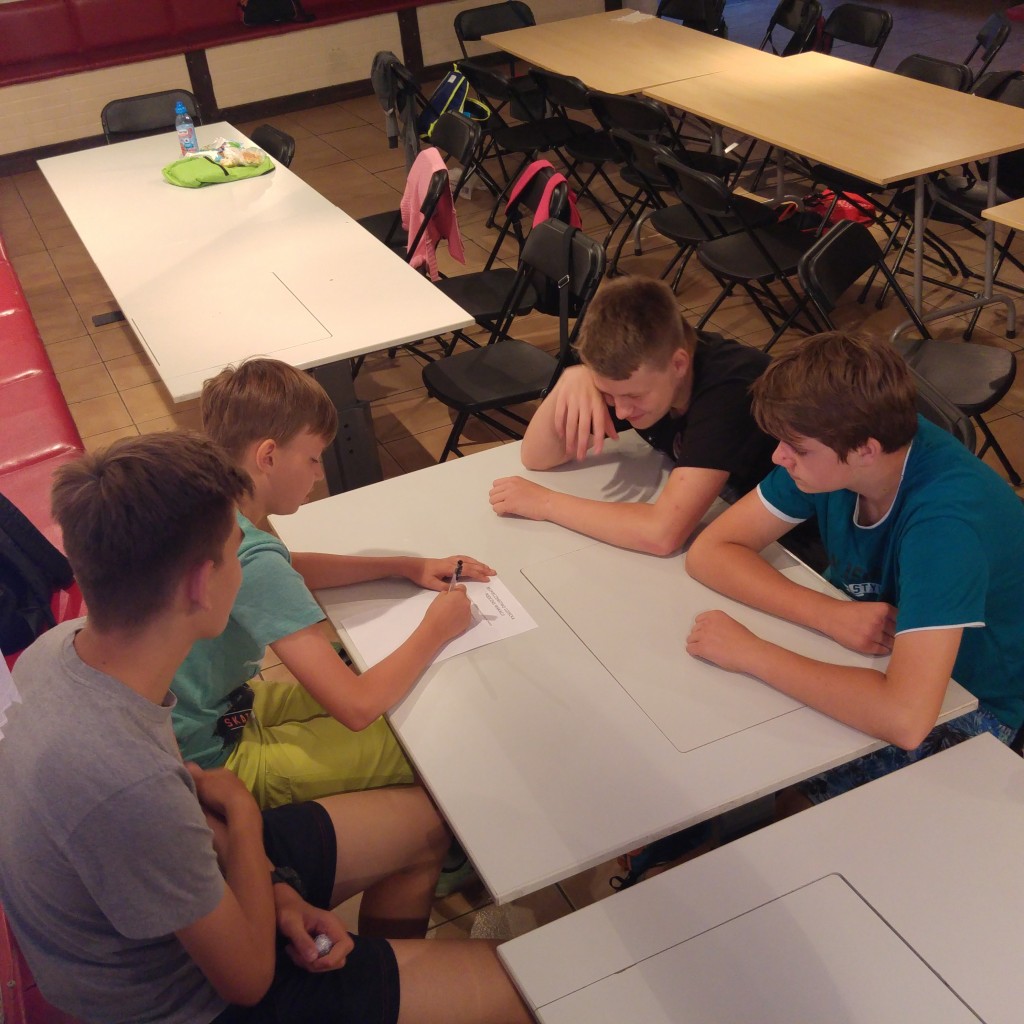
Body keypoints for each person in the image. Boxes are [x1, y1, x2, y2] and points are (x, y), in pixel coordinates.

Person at [0, 433, 530, 1024]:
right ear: (200, 584)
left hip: (187, 875)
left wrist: (276, 888)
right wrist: (247, 822)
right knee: (528, 988)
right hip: (185, 1001)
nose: (248, 564)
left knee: (427, 824)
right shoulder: (125, 783)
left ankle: (381, 988)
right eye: (237, 552)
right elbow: (249, 980)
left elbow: (184, 816)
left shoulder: (60, 651)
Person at [685, 332, 1024, 805]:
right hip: (885, 659)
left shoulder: (944, 524)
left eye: (796, 448)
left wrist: (751, 653)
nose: (779, 456)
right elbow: (712, 550)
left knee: (777, 784)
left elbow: (905, 719)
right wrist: (828, 613)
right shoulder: (839, 445)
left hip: (972, 699)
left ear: (866, 450)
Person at [171, 358, 495, 808]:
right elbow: (356, 707)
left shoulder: (212, 505)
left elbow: (285, 567)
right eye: (313, 458)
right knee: (427, 748)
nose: (320, 473)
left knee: (384, 690)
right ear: (268, 457)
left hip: (210, 712)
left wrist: (403, 566)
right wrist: (436, 627)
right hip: (211, 759)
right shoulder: (249, 551)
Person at [488, 277, 777, 556]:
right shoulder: (636, 374)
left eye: (634, 397)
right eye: (609, 395)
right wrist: (571, 378)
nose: (622, 411)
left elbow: (662, 535)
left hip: (788, 546)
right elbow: (537, 456)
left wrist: (545, 503)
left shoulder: (729, 390)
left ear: (678, 364)